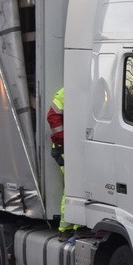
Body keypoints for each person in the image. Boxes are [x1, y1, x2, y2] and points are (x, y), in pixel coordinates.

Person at [47, 87, 83, 239]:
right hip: (64, 148)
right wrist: (63, 138)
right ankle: (70, 226)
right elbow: (52, 116)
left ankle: (73, 225)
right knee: (74, 185)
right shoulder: (66, 91)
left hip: (73, 148)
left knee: (76, 185)